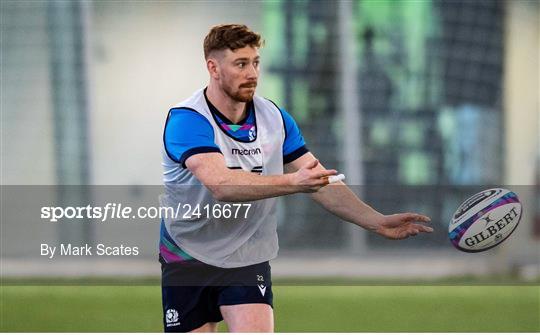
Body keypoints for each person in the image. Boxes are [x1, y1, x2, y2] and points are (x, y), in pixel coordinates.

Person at [160, 23, 433, 333]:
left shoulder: (274, 118)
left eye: (255, 62)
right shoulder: (187, 119)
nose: (252, 73)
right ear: (213, 67)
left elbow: (319, 181)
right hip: (187, 254)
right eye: (240, 64)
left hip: (247, 255)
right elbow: (222, 185)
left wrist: (376, 221)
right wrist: (292, 182)